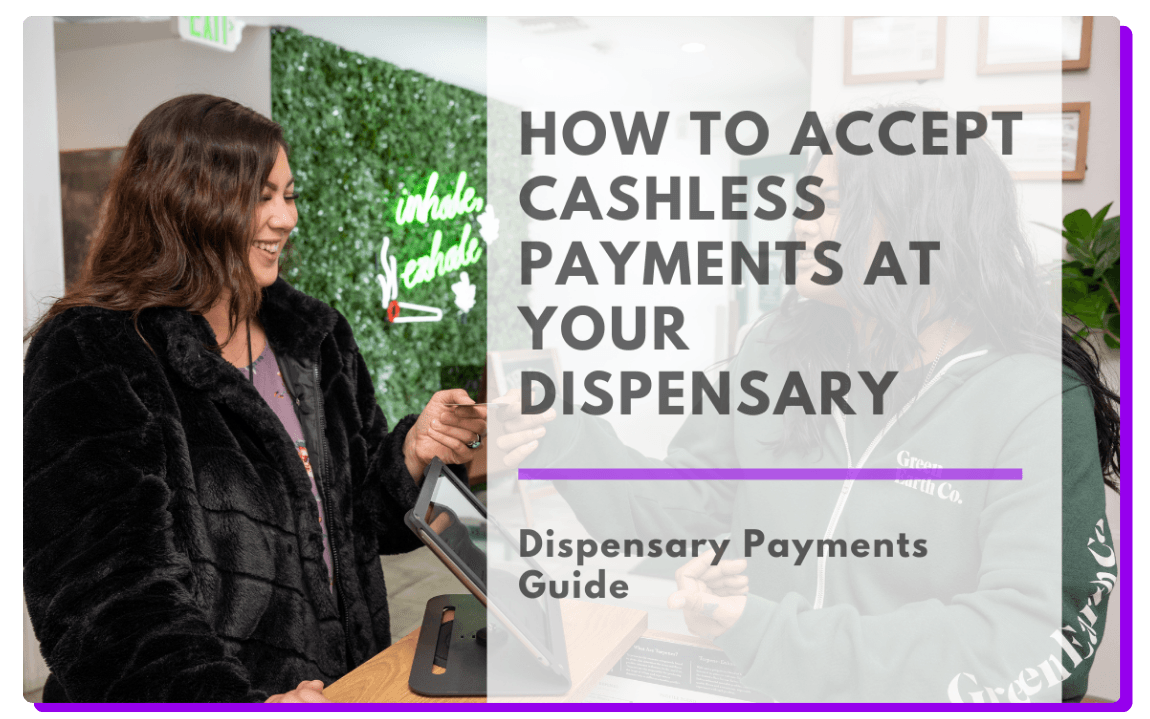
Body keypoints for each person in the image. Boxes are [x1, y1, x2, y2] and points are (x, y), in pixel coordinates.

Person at [509, 107, 1119, 702]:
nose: (801, 222)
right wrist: (558, 433)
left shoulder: (1035, 400)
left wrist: (772, 635)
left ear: (926, 225)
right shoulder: (775, 350)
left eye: (833, 204)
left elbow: (1038, 645)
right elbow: (685, 510)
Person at [23, 94, 487, 703]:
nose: (286, 218)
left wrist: (413, 453)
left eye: (288, 195)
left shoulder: (316, 339)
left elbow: (356, 525)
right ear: (184, 200)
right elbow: (106, 599)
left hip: (340, 689)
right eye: (260, 196)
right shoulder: (93, 348)